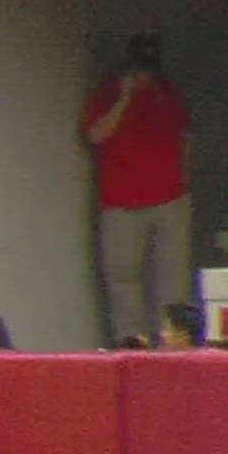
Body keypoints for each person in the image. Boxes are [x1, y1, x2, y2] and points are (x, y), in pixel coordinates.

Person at [83, 34, 192, 344]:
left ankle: (174, 343)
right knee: (123, 276)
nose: (144, 77)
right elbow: (96, 134)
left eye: (149, 70)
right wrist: (124, 98)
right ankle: (132, 341)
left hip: (170, 198)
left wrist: (184, 180)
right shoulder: (108, 94)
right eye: (139, 70)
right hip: (121, 201)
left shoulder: (168, 94)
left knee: (172, 280)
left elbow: (184, 136)